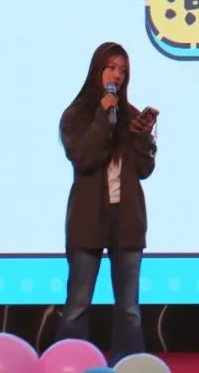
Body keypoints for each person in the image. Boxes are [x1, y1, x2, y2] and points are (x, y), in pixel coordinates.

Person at [56, 41, 159, 366]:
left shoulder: (131, 115)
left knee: (129, 308)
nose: (118, 75)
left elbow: (144, 169)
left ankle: (128, 365)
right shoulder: (76, 115)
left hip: (127, 220)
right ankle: (69, 365)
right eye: (111, 68)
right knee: (78, 304)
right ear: (97, 70)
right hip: (88, 219)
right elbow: (85, 158)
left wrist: (142, 136)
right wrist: (104, 116)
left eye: (123, 70)